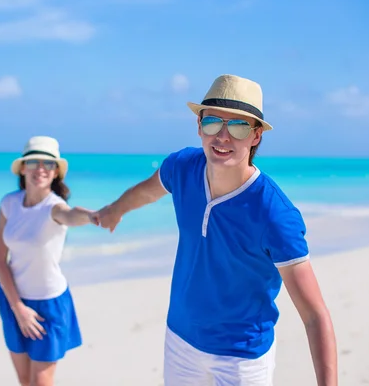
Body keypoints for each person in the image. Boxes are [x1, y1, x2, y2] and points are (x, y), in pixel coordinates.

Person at [93, 74, 338, 386]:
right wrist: (115, 210)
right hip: (180, 341)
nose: (222, 136)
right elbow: (148, 191)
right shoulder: (183, 167)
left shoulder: (275, 214)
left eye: (237, 126)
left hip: (241, 358)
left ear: (256, 136)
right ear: (199, 126)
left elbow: (314, 315)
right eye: (212, 122)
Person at [0, 136, 97, 386]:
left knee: (40, 382)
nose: (41, 168)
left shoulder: (55, 207)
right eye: (34, 162)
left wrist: (95, 216)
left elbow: (72, 215)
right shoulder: (9, 203)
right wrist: (18, 309)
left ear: (55, 173)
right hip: (12, 299)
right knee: (25, 381)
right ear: (23, 168)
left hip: (48, 305)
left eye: (48, 164)